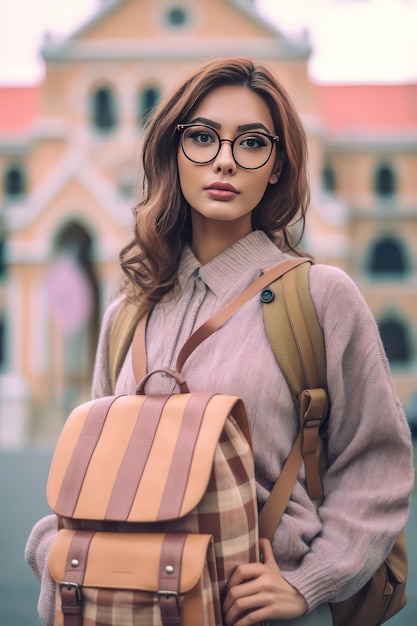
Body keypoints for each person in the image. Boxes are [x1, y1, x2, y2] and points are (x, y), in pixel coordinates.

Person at [26, 57, 414, 626]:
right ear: (173, 153)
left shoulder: (320, 297)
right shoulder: (127, 315)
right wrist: (51, 557)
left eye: (252, 143)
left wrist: (308, 584)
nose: (225, 160)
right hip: (130, 609)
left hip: (260, 614)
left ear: (277, 166)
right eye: (202, 137)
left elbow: (378, 466)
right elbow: (96, 477)